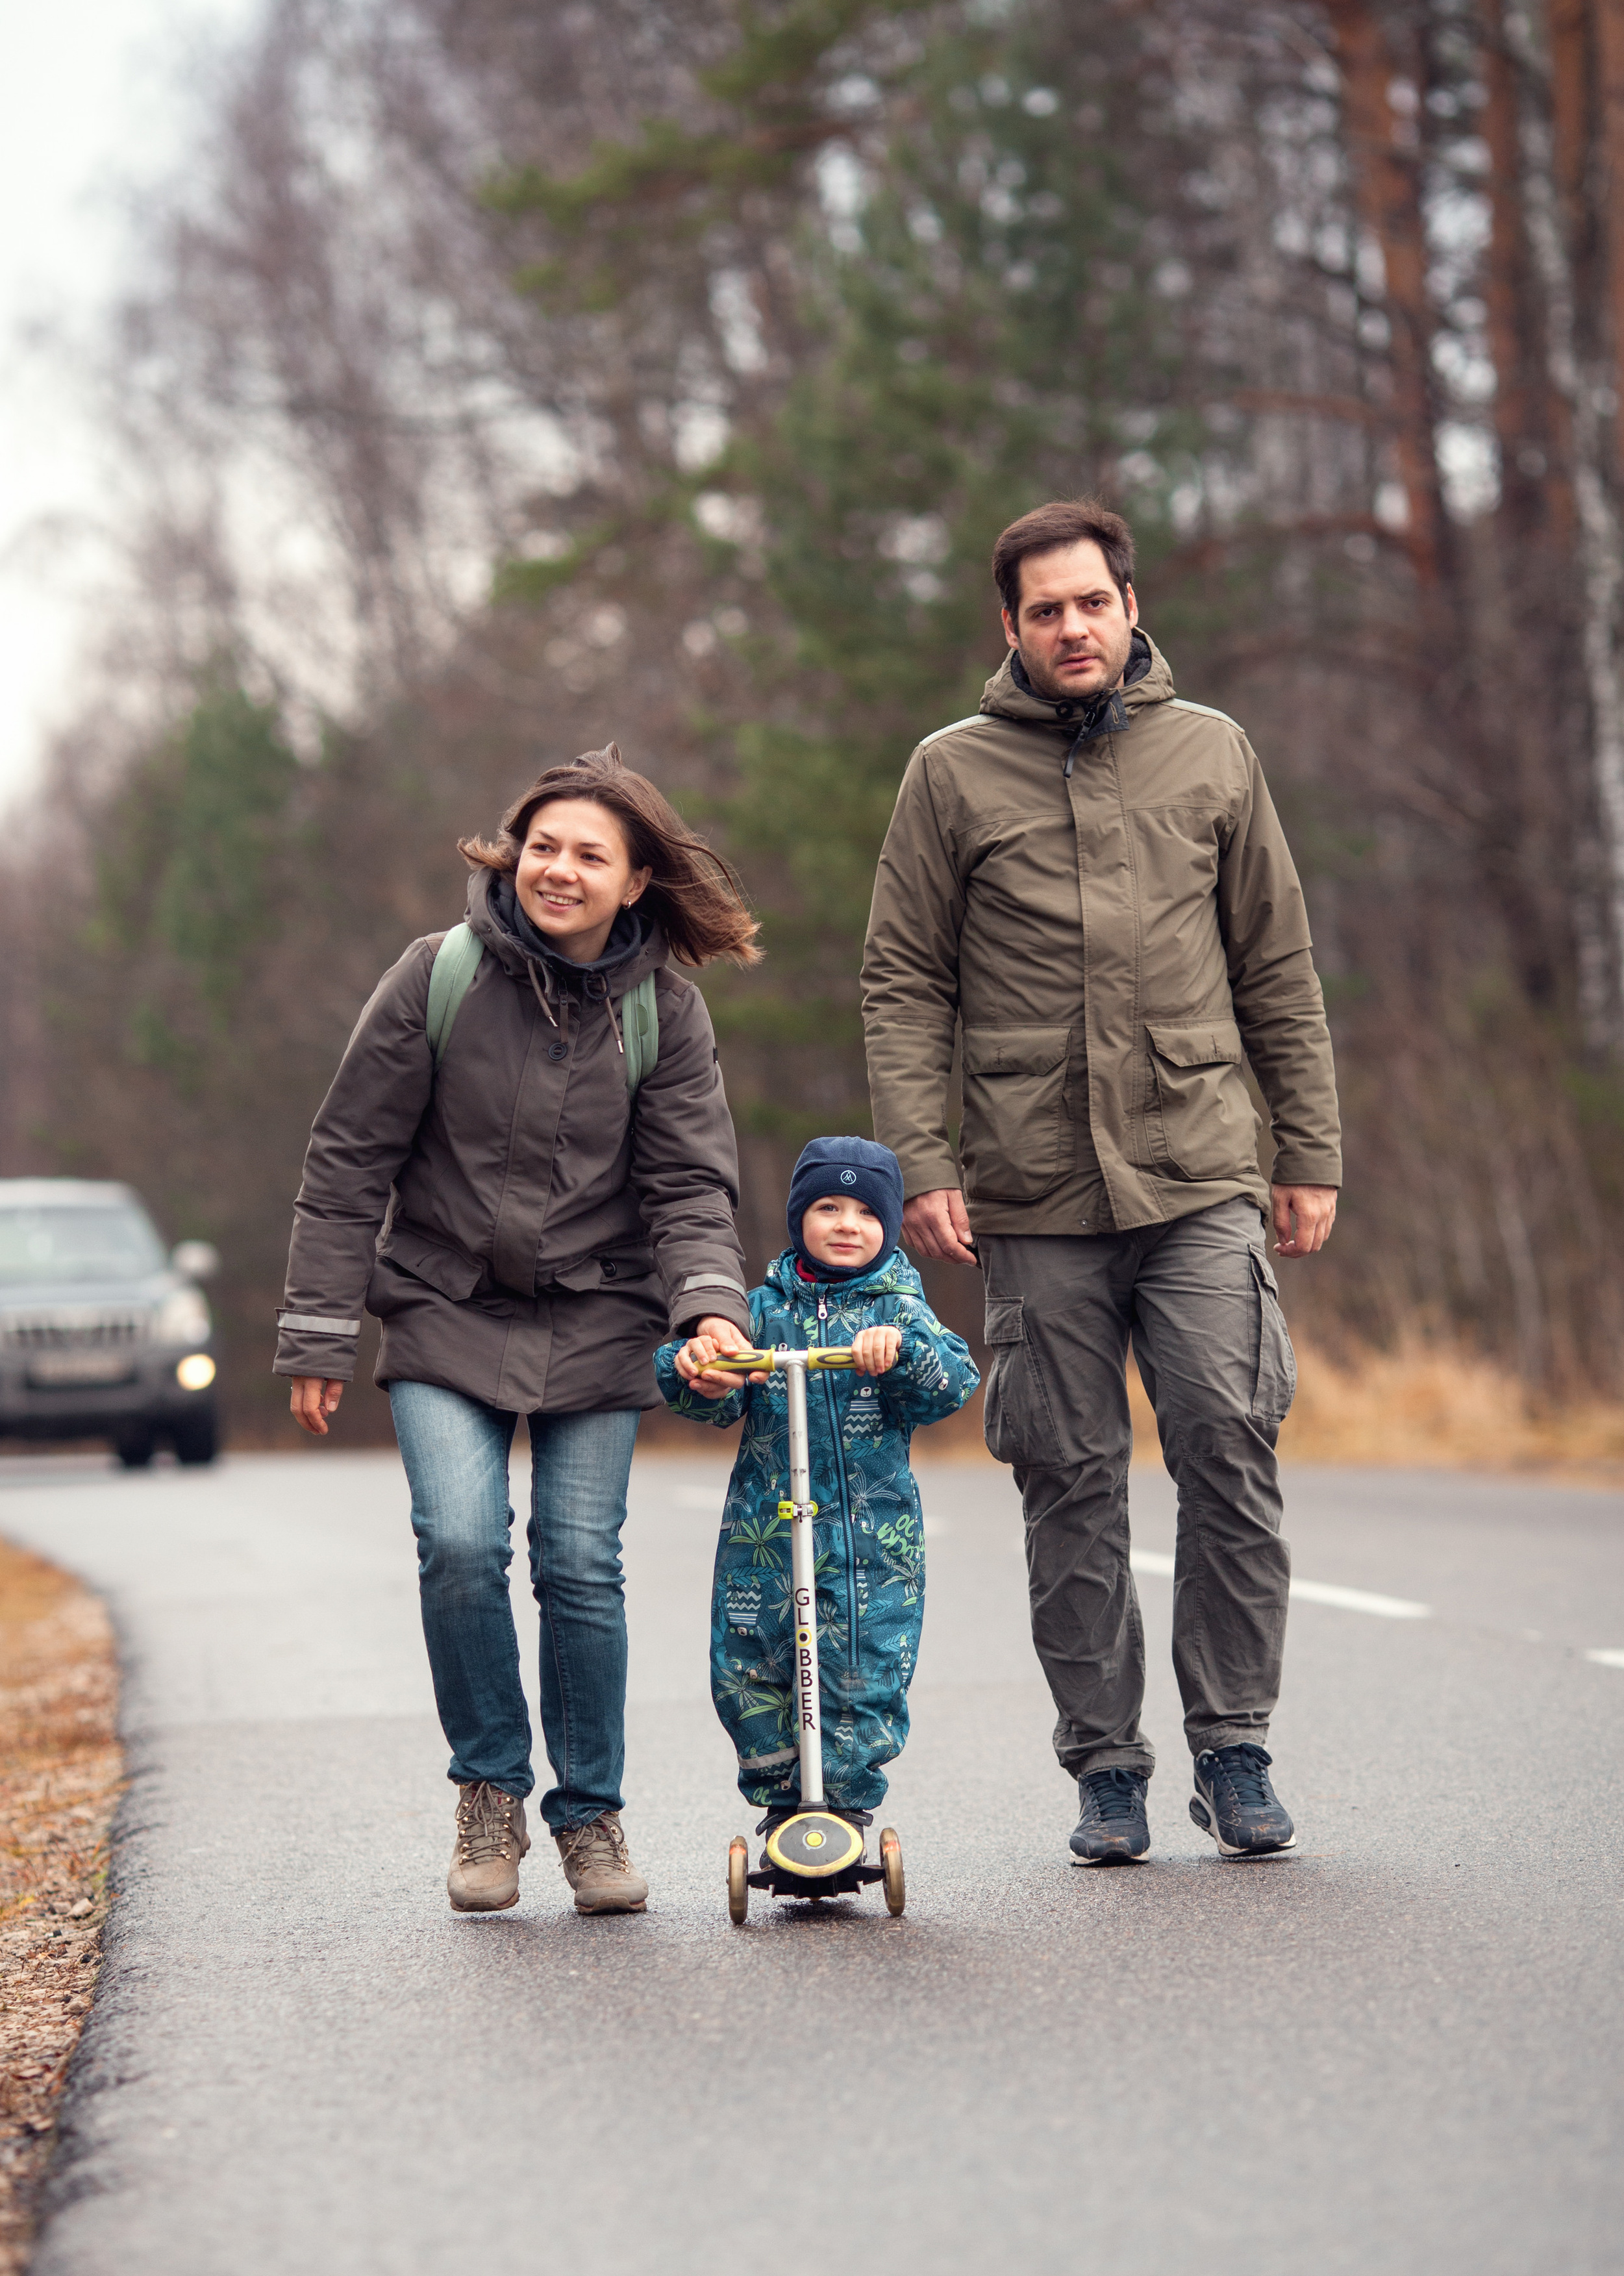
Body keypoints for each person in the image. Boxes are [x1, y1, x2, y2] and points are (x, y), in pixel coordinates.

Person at [860, 501, 1342, 1865]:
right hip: (1032, 1190)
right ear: (1009, 628)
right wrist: (922, 1163)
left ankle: (1233, 1748)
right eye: (1044, 611)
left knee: (1228, 1445)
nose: (1072, 628)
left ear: (1130, 607)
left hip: (1200, 1169)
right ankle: (1107, 1768)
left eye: (1091, 603)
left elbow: (1274, 964)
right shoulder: (949, 772)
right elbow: (904, 981)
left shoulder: (1213, 752)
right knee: (1067, 1481)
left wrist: (1307, 1151)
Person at [275, 743, 762, 1916]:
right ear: (513, 854)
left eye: (590, 855)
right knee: (459, 1542)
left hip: (600, 1317)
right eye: (544, 846)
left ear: (635, 881)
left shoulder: (665, 1014)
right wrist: (317, 1329)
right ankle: (489, 1792)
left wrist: (709, 1306)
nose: (559, 870)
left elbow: (690, 1186)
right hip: (442, 1308)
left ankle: (590, 1816)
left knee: (580, 1563)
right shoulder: (435, 976)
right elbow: (348, 1161)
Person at [655, 1137, 978, 1832]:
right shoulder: (758, 1312)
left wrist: (901, 1355)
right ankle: (780, 1797)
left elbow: (952, 1382)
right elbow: (713, 1402)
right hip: (765, 1534)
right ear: (798, 1216)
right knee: (752, 1660)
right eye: (828, 1207)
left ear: (888, 1226)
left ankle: (846, 1800)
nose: (846, 1225)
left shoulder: (899, 1309)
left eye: (866, 1213)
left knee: (864, 1663)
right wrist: (698, 1368)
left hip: (872, 1537)